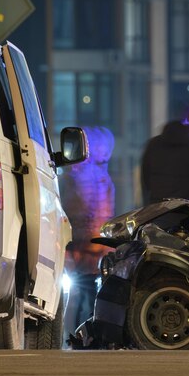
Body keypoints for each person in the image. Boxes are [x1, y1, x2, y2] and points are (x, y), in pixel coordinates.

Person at [59, 126, 115, 342]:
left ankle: (77, 334)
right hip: (92, 247)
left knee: (80, 293)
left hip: (81, 246)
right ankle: (87, 334)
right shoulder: (100, 177)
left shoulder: (75, 176)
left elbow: (73, 209)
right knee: (87, 293)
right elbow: (102, 211)